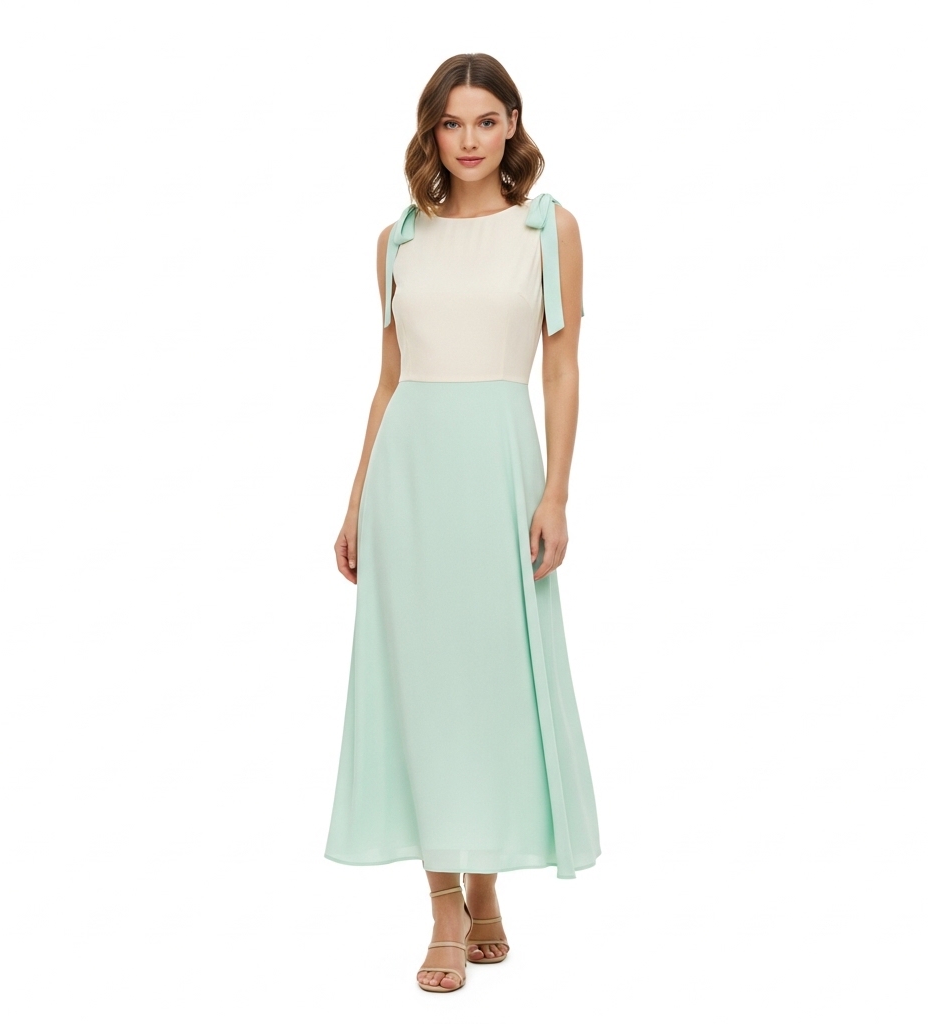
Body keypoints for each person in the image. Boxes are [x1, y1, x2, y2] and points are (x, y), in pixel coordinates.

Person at [325, 52, 601, 993]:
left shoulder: (547, 228)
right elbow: (389, 380)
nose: (471, 139)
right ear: (431, 132)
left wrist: (556, 492)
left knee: (489, 685)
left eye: (488, 120)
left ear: (513, 124)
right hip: (409, 480)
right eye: (453, 123)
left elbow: (561, 368)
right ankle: (447, 905)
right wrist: (356, 500)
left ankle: (486, 882)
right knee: (423, 687)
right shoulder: (398, 239)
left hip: (497, 473)